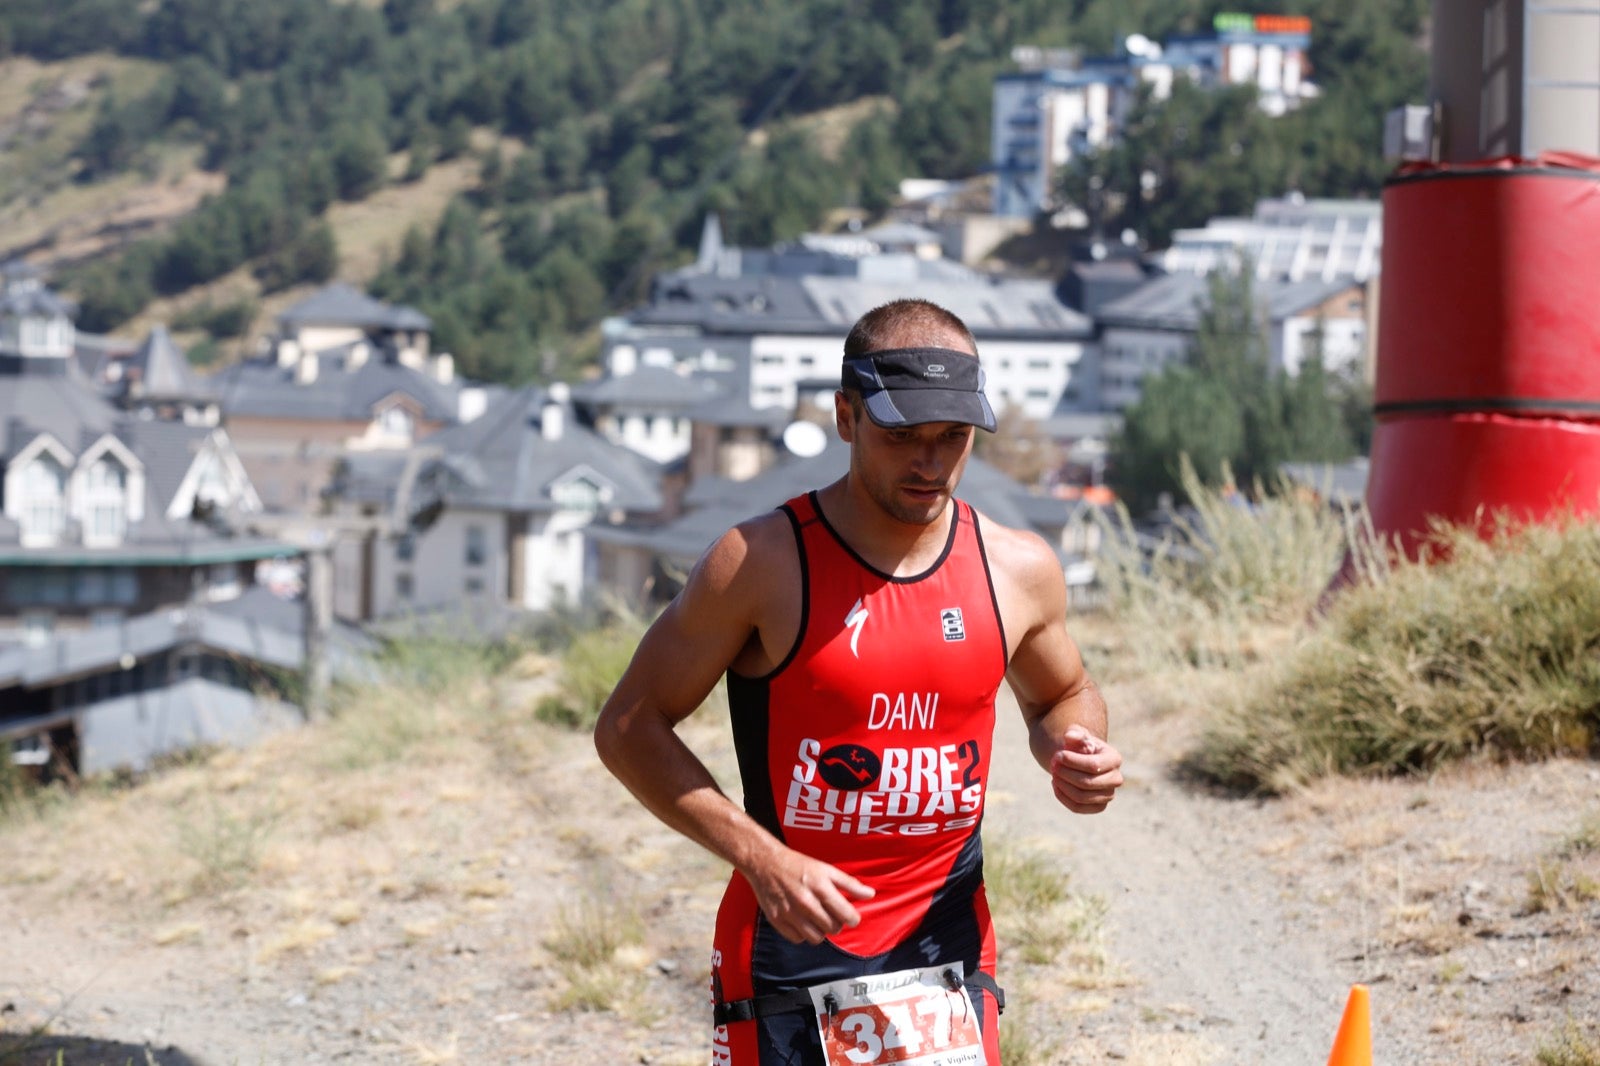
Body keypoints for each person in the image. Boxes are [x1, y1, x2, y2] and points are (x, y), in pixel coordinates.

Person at [594, 297, 1124, 1065]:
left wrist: (1077, 749)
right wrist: (761, 859)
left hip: (947, 945)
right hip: (789, 952)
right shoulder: (759, 564)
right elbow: (628, 727)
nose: (930, 462)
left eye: (953, 436)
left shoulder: (1017, 568)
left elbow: (1061, 696)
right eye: (902, 435)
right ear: (846, 417)